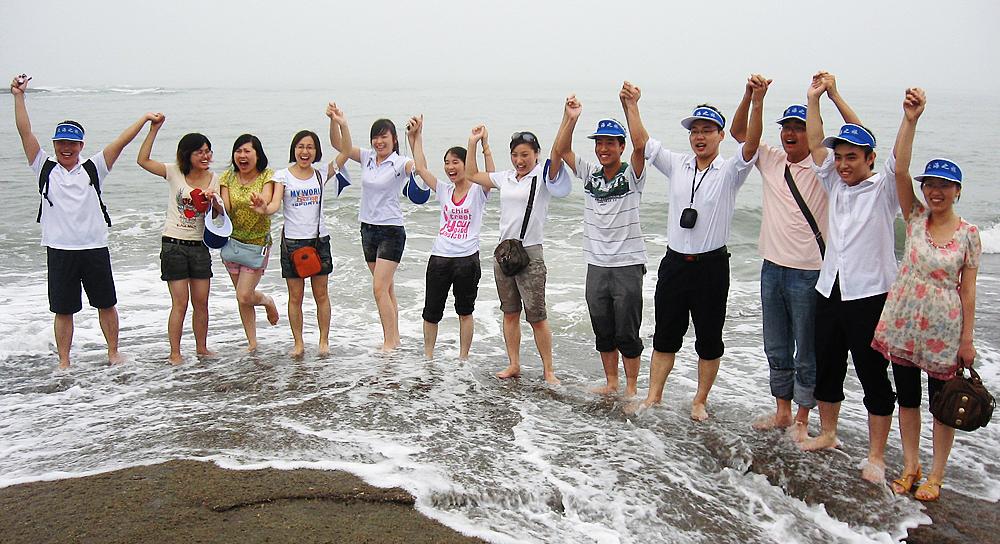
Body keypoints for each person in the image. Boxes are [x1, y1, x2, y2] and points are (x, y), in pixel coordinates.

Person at [624, 77, 765, 420]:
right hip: (675, 264)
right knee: (664, 336)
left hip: (711, 267)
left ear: (720, 135)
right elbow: (642, 143)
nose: (700, 136)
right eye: (695, 131)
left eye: (707, 130)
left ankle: (699, 400)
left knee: (709, 340)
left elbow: (751, 144)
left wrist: (755, 100)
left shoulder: (730, 170)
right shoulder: (678, 164)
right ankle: (653, 396)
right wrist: (631, 105)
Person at [730, 75, 861, 435]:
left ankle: (803, 418)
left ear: (811, 132)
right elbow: (738, 132)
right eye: (786, 127)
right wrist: (751, 96)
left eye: (799, 127)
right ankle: (782, 411)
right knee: (776, 347)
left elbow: (860, 138)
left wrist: (832, 95)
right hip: (771, 268)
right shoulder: (771, 159)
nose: (790, 133)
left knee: (807, 351)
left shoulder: (825, 167)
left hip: (809, 273)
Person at [872, 88, 981, 501]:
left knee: (942, 402)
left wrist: (967, 340)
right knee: (908, 398)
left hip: (943, 330)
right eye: (930, 184)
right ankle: (910, 466)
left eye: (944, 186)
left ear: (957, 190)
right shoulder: (915, 216)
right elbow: (900, 170)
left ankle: (936, 474)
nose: (935, 191)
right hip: (904, 320)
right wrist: (910, 119)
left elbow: (968, 290)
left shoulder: (969, 234)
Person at [798, 72, 904, 484]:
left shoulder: (884, 189)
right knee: (828, 366)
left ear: (869, 159)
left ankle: (876, 455)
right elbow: (816, 142)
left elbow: (895, 156)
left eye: (852, 158)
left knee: (873, 374)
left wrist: (838, 96)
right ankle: (828, 433)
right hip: (830, 290)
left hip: (870, 295)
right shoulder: (836, 184)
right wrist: (814, 99)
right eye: (839, 157)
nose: (842, 164)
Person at [11, 74, 157, 370]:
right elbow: (25, 132)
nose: (66, 148)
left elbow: (121, 142)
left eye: (72, 143)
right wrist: (18, 96)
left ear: (81, 145)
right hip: (59, 249)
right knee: (63, 310)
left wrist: (145, 120)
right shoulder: (44, 167)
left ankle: (113, 353)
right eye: (61, 143)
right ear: (54, 144)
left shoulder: (94, 167)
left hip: (94, 248)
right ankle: (64, 361)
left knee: (106, 304)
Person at [550, 84, 647, 397]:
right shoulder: (590, 173)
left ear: (621, 146)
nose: (603, 148)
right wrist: (571, 117)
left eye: (610, 143)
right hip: (596, 265)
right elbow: (562, 150)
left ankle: (631, 388)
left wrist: (630, 106)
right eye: (599, 143)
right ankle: (612, 382)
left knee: (627, 331)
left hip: (627, 265)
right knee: (603, 329)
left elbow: (642, 145)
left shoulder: (632, 175)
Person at [466, 126, 572, 384]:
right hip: (504, 253)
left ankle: (548, 370)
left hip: (530, 252)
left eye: (525, 154)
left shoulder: (543, 175)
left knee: (537, 316)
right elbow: (471, 174)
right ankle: (514, 364)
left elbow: (559, 151)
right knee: (510, 312)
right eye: (515, 155)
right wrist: (475, 143)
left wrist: (568, 119)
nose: (519, 160)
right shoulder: (506, 178)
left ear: (537, 154)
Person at [328, 107, 424, 353]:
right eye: (376, 137)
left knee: (379, 288)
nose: (379, 141)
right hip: (367, 229)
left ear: (394, 139)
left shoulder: (400, 163)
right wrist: (338, 122)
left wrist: (417, 138)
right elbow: (339, 146)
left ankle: (388, 343)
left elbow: (421, 170)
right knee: (387, 288)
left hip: (391, 231)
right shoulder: (367, 157)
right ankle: (395, 337)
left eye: (384, 137)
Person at [137, 115, 220, 365]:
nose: (205, 156)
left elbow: (218, 215)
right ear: (187, 154)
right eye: (199, 152)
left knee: (201, 302)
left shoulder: (214, 179)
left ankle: (202, 348)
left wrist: (214, 202)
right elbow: (142, 160)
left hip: (200, 245)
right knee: (180, 303)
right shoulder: (174, 172)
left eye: (208, 151)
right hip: (174, 244)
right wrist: (154, 129)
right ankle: (175, 353)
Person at [409, 117, 494, 359]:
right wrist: (417, 136)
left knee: (465, 311)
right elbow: (421, 168)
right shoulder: (444, 190)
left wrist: (481, 144)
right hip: (440, 257)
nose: (450, 167)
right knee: (431, 312)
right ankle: (428, 357)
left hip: (467, 259)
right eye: (447, 163)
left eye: (455, 162)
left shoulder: (478, 190)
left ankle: (463, 358)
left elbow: (490, 174)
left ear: (466, 164)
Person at [270, 112, 351, 356]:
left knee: (321, 295)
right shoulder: (282, 175)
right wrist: (261, 207)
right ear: (293, 149)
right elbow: (274, 205)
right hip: (292, 243)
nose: (305, 152)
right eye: (300, 147)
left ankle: (324, 341)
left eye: (310, 147)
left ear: (316, 152)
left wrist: (338, 123)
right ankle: (299, 343)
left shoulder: (320, 174)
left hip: (318, 241)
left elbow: (346, 151)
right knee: (295, 297)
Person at [218, 134, 280, 352]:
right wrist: (213, 201)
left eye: (247, 151)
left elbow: (268, 200)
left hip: (257, 243)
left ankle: (267, 301)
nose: (242, 156)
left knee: (244, 295)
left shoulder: (267, 176)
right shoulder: (227, 177)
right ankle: (252, 342)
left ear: (257, 155)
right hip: (232, 243)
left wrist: (261, 203)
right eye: (238, 151)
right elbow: (225, 207)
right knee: (242, 298)